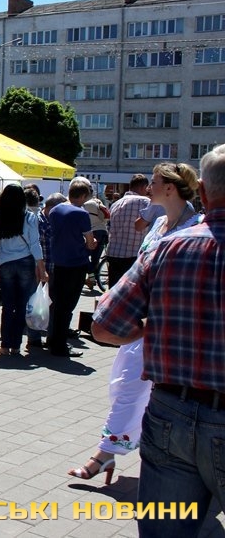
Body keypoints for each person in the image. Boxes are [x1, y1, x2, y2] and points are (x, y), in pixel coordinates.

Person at [91, 147, 225, 536]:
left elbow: (105, 326)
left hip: (171, 412)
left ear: (203, 190)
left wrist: (152, 325)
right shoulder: (166, 235)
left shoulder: (170, 246)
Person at [70, 162, 200, 485]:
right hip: (142, 320)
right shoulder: (159, 224)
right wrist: (115, 297)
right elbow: (139, 269)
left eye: (154, 182)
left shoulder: (196, 226)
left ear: (169, 188)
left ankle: (106, 453)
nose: (148, 187)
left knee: (141, 389)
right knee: (125, 384)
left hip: (171, 326)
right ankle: (117, 452)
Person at [0, 183, 46, 356]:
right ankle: (16, 345)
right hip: (25, 262)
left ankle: (5, 345)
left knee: (7, 305)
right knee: (22, 305)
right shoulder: (29, 217)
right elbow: (35, 244)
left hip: (5, 264)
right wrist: (41, 267)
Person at [46, 177, 97, 357]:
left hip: (58, 262)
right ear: (82, 196)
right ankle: (60, 345)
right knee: (68, 306)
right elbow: (90, 242)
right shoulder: (81, 213)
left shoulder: (55, 210)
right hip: (75, 263)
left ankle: (53, 339)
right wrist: (91, 242)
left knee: (57, 304)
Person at [27, 192, 66, 349]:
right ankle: (34, 337)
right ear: (52, 208)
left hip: (52, 267)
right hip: (41, 268)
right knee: (36, 303)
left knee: (49, 303)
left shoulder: (52, 219)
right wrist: (40, 268)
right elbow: (36, 246)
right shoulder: (39, 221)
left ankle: (48, 336)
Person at [105, 173, 151, 287]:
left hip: (113, 253)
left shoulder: (116, 204)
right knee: (131, 291)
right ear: (143, 187)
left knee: (114, 290)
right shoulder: (146, 202)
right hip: (133, 254)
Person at [82, 187, 111, 289]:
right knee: (95, 258)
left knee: (82, 255)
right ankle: (91, 279)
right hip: (103, 232)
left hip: (94, 232)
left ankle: (91, 277)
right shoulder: (98, 202)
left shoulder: (86, 204)